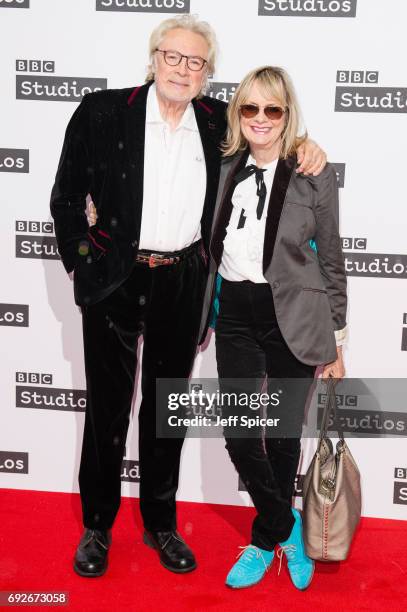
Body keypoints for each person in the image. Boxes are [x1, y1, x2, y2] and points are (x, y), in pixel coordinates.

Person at [50, 14, 327, 578]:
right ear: (153, 58)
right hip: (116, 279)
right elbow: (64, 199)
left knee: (165, 410)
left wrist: (307, 146)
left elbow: (267, 133)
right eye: (173, 57)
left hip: (183, 280)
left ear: (207, 72)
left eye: (195, 61)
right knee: (106, 408)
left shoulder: (215, 121)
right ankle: (97, 527)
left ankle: (160, 523)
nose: (182, 69)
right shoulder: (102, 113)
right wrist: (85, 265)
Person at [198, 65, 347, 590]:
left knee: (284, 437)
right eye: (250, 108)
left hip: (295, 316)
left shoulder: (312, 170)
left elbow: (330, 257)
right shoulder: (223, 166)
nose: (260, 118)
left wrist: (338, 337)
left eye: (273, 109)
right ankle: (285, 530)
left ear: (288, 115)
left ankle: (264, 541)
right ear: (238, 113)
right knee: (240, 434)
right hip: (235, 312)